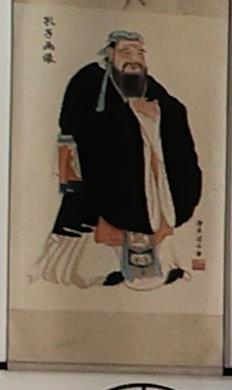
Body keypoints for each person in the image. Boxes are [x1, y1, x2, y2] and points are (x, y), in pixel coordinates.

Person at [52, 28, 204, 285]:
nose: (134, 59)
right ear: (109, 54)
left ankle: (162, 264)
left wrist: (155, 116)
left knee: (156, 207)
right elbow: (77, 123)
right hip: (103, 171)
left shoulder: (145, 82)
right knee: (95, 234)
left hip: (147, 175)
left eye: (140, 53)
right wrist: (129, 115)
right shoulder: (90, 79)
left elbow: (173, 109)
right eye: (125, 52)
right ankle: (99, 269)